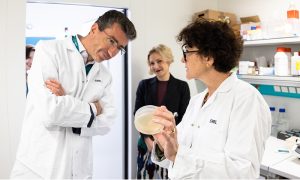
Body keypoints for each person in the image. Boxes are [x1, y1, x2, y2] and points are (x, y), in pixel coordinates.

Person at [11, 10, 136, 179]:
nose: (113, 52)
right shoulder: (49, 51)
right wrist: (92, 109)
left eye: (119, 48)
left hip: (78, 170)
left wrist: (66, 102)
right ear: (94, 28)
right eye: (112, 41)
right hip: (38, 169)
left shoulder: (105, 76)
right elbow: (51, 112)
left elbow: (107, 121)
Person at [151, 19, 271, 179]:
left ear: (208, 57)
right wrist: (164, 143)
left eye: (187, 51)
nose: (182, 59)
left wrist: (178, 154)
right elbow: (177, 159)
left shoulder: (246, 99)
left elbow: (243, 173)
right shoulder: (196, 101)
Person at [134, 44, 190, 179]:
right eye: (152, 63)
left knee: (169, 176)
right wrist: (147, 140)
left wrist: (168, 140)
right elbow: (137, 114)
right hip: (146, 141)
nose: (155, 66)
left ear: (168, 60)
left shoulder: (182, 87)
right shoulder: (144, 85)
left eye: (159, 61)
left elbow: (183, 117)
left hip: (170, 143)